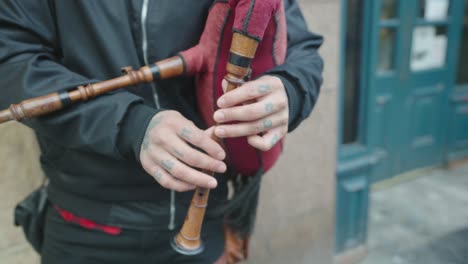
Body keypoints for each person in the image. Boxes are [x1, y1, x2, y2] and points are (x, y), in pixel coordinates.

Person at [0, 0, 323, 263]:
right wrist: (130, 124)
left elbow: (299, 46)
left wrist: (290, 89)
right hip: (86, 225)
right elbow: (11, 60)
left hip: (207, 219)